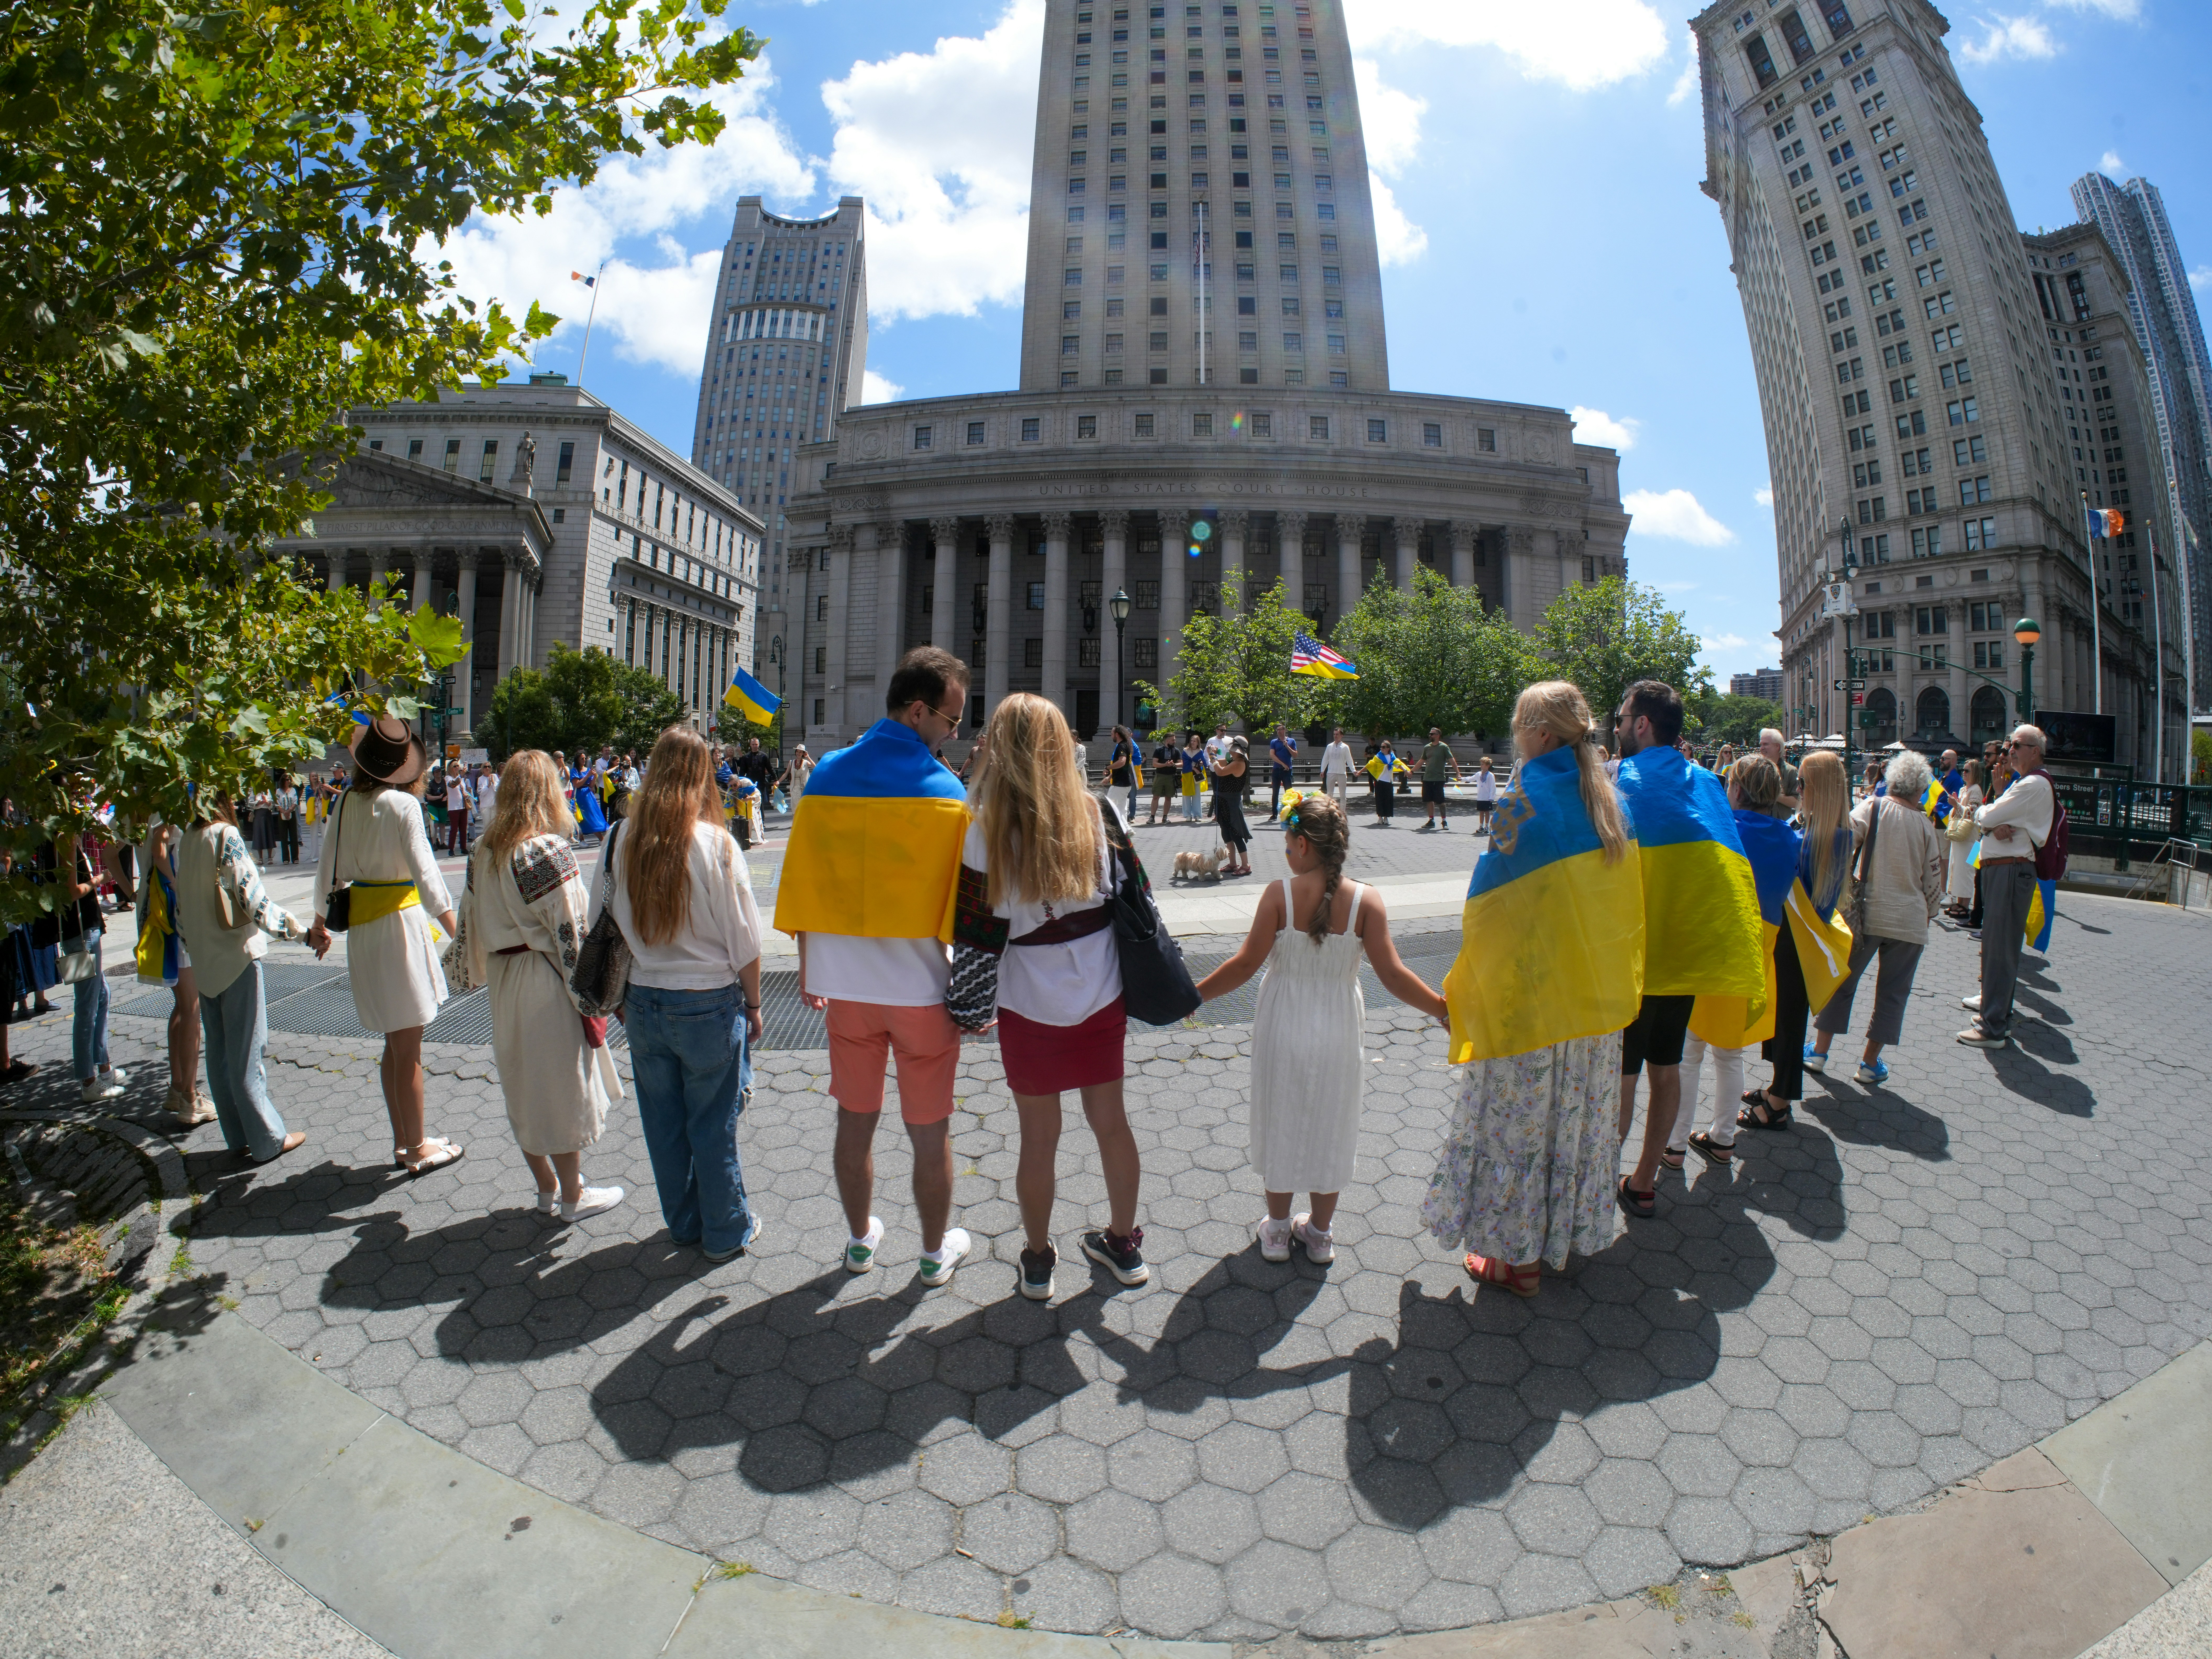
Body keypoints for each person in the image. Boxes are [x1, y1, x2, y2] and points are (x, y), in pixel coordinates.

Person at [1423, 682, 1643, 1297]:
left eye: (1518, 724)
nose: (1515, 733)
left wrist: (1468, 990)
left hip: (1533, 1008)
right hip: (1594, 1009)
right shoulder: (1611, 803)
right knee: (1573, 1126)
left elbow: (1489, 911)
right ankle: (1560, 1239)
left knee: (1516, 1129)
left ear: (1539, 734)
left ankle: (1515, 1261)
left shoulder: (1522, 801)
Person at [779, 647, 976, 1283]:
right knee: (929, 1131)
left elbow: (803, 881)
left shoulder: (826, 774)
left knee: (853, 1122)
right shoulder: (945, 792)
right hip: (920, 988)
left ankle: (860, 1241)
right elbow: (965, 907)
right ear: (918, 711)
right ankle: (931, 1252)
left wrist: (811, 966)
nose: (952, 735)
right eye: (949, 722)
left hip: (845, 990)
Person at [949, 693, 1149, 1299]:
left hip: (1027, 1000)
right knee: (1111, 1123)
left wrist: (966, 1009)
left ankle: (1037, 1260)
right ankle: (1123, 1245)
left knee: (1038, 1137)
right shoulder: (1098, 814)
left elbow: (975, 937)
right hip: (1100, 991)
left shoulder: (981, 831)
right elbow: (1137, 899)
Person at [1198, 794, 1447, 1266]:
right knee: (1331, 1121)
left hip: (1282, 1024)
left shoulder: (1279, 894)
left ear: (1304, 844)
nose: (1286, 853)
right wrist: (1440, 1008)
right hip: (1338, 1026)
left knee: (1281, 1115)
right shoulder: (1367, 901)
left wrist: (1194, 996)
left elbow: (1245, 964)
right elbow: (1393, 975)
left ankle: (1275, 1231)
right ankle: (1318, 1233)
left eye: (1288, 844)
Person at [595, 729, 767, 1255]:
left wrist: (620, 999)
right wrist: (755, 1005)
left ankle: (686, 1223)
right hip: (707, 1002)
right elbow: (746, 939)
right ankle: (726, 1229)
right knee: (713, 1124)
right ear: (701, 775)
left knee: (664, 1126)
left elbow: (596, 923)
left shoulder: (618, 837)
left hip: (643, 1001)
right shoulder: (716, 844)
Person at [1612, 681, 1766, 1218]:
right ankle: (1645, 1182)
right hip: (1688, 958)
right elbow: (1733, 874)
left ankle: (1597, 1182)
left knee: (1624, 1077)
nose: (1617, 726)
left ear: (1643, 724)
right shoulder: (1708, 785)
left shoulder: (1618, 782)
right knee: (1667, 1068)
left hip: (1634, 961)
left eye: (1621, 717)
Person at [455, 751, 626, 1224]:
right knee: (560, 1087)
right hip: (544, 979)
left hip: (504, 980)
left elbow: (468, 923)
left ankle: (547, 1187)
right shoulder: (545, 851)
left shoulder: (482, 850)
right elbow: (574, 933)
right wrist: (592, 996)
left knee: (523, 1085)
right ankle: (573, 1196)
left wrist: (465, 973)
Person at [308, 717, 464, 1176]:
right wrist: (463, 936)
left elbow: (326, 870)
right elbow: (430, 880)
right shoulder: (403, 806)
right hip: (399, 928)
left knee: (393, 1045)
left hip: (364, 929)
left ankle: (405, 1141)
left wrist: (319, 924)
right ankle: (416, 1148)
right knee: (408, 1046)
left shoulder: (348, 803)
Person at [174, 792, 313, 1164]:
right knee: (248, 1054)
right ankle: (267, 1139)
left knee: (219, 1055)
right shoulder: (226, 836)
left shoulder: (187, 839)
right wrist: (301, 933)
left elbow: (180, 912)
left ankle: (237, 1137)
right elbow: (255, 902)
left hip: (204, 962)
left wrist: (197, 946)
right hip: (237, 956)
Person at [1717, 751, 1850, 1134]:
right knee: (1783, 1017)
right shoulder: (1818, 828)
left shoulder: (1829, 834)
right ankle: (1778, 1088)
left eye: (1804, 784)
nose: (1798, 791)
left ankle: (1780, 1103)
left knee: (1790, 1020)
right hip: (1791, 933)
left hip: (1799, 938)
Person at [1808, 747, 1946, 1086]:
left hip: (1868, 912)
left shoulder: (1875, 807)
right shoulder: (1927, 826)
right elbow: (1934, 881)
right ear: (1920, 788)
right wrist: (1929, 912)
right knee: (1894, 994)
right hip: (1911, 921)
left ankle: (1819, 1052)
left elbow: (1845, 837)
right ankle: (1870, 1064)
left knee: (1844, 982)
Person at [1960, 725, 2055, 1048]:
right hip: (2007, 870)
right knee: (2000, 947)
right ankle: (1997, 1014)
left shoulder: (2032, 785)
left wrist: (1991, 817)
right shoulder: (2030, 785)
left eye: (2018, 745)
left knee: (2000, 949)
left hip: (2010, 871)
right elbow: (1991, 818)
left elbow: (1984, 816)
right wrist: (1994, 817)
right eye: (2009, 745)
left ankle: (1993, 1027)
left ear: (2036, 751)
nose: (2010, 750)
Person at [137, 822, 214, 1126]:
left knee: (183, 1006)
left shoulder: (145, 806)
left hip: (159, 916)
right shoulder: (167, 810)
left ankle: (177, 1088)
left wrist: (137, 892)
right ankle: (190, 1099)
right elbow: (159, 848)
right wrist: (178, 884)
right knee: (191, 1008)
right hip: (174, 920)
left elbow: (112, 852)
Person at [52, 832, 127, 1102]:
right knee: (87, 1006)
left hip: (83, 932)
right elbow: (73, 892)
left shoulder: (65, 838)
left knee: (101, 998)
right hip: (80, 935)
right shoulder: (65, 839)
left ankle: (103, 1068)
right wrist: (101, 879)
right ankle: (89, 1081)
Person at [1943, 759, 1984, 917]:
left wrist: (1957, 805)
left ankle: (1966, 905)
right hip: (1960, 836)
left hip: (1972, 837)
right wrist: (1957, 804)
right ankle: (1959, 902)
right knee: (1957, 868)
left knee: (1967, 870)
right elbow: (1960, 812)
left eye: (1968, 770)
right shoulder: (1963, 790)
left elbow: (1973, 813)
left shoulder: (1976, 790)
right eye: (1963, 770)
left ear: (1975, 773)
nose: (1964, 773)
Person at [1210, 735, 1254, 876]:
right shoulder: (1234, 760)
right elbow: (1218, 763)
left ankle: (1246, 866)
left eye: (1233, 749)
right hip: (1224, 801)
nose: (1230, 751)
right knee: (1226, 833)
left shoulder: (1239, 763)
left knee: (1236, 834)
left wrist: (1213, 755)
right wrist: (1214, 757)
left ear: (1238, 751)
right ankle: (1233, 864)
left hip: (1232, 803)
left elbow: (1220, 771)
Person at [1418, 727, 1460, 830]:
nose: (1430, 736)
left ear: (1438, 736)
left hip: (1439, 778)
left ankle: (1444, 821)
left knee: (1441, 802)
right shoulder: (1427, 747)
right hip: (1428, 778)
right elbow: (1422, 761)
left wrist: (1458, 773)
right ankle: (1431, 821)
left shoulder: (1444, 747)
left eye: (1433, 734)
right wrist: (1412, 772)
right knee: (1429, 800)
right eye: (1430, 734)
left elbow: (1452, 760)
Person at [1366, 739, 1408, 826]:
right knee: (1379, 799)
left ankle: (1386, 818)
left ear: (1388, 748)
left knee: (1388, 800)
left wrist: (1405, 770)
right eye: (1381, 747)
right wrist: (1359, 772)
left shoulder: (1392, 757)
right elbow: (1370, 764)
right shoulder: (1378, 756)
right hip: (1379, 781)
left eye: (1384, 747)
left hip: (1389, 782)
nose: (1382, 748)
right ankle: (1380, 817)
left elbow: (1399, 764)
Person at [1760, 728, 1801, 814]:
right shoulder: (1755, 770)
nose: (1762, 748)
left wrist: (1776, 796)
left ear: (1777, 747)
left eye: (1766, 744)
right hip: (1758, 824)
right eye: (1761, 745)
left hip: (1781, 825)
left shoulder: (1791, 771)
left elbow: (1798, 803)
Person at [1106, 724, 1141, 822]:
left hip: (1120, 784)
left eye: (1112, 734)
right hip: (1125, 783)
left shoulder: (1122, 746)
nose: (1111, 736)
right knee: (1122, 810)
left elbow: (1122, 762)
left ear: (1117, 735)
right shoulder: (1127, 745)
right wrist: (1110, 776)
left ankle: (1111, 830)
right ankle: (1127, 831)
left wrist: (1108, 768)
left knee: (1110, 807)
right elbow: (1125, 766)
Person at [1320, 726, 1356, 810]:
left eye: (1337, 735)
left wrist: (1354, 771)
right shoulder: (1329, 746)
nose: (1336, 736)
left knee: (1343, 795)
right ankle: (1329, 812)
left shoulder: (1345, 747)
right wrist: (1323, 770)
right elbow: (1325, 759)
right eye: (1334, 735)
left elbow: (1350, 761)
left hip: (1342, 773)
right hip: (1331, 773)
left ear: (1342, 736)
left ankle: (1342, 812)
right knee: (1329, 795)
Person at [1147, 732, 1179, 825]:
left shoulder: (1176, 751)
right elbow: (1155, 764)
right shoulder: (1159, 750)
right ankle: (1152, 817)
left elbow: (1181, 763)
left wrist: (1174, 765)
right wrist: (1165, 765)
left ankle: (1165, 817)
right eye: (1173, 740)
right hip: (1160, 776)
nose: (1175, 742)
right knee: (1156, 796)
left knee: (1168, 798)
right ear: (1167, 740)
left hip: (1171, 777)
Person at [1268, 724, 1299, 817]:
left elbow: (1295, 755)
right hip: (1277, 770)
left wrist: (1287, 746)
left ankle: (1291, 813)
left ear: (1285, 730)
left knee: (1289, 793)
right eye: (1277, 730)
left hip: (1288, 771)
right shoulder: (1274, 742)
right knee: (1275, 793)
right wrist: (1282, 764)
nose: (1279, 731)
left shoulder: (1291, 741)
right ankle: (1274, 814)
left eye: (1281, 729)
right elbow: (1272, 755)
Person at [1472, 756, 1501, 835]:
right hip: (1480, 797)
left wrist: (1492, 797)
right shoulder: (1479, 774)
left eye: (1483, 765)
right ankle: (1481, 826)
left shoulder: (1491, 775)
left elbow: (1493, 787)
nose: (1481, 766)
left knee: (1487, 812)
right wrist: (1462, 779)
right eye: (1481, 764)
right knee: (1481, 812)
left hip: (1487, 798)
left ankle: (1487, 827)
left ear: (1488, 766)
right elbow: (1471, 778)